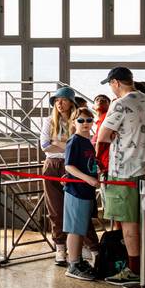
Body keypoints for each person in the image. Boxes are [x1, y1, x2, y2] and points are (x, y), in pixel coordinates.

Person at [95, 67, 145, 284]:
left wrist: (114, 133)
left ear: (115, 82)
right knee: (140, 219)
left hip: (124, 171)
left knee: (128, 223)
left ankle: (134, 270)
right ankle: (142, 265)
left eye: (111, 84)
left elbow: (102, 135)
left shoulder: (120, 103)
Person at [40, 86, 97, 264]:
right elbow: (45, 145)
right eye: (56, 101)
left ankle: (92, 247)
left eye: (63, 100)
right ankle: (60, 248)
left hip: (73, 167)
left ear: (71, 102)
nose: (59, 104)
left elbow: (85, 142)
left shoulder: (79, 119)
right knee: (55, 210)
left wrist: (60, 142)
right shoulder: (50, 121)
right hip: (52, 165)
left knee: (79, 210)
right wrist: (69, 144)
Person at [62, 107, 102, 280]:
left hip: (86, 190)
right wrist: (87, 178)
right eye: (81, 120)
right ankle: (73, 263)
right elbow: (69, 166)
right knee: (74, 229)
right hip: (76, 191)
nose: (85, 124)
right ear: (73, 122)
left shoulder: (88, 141)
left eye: (88, 120)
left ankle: (77, 261)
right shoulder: (75, 141)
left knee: (80, 227)